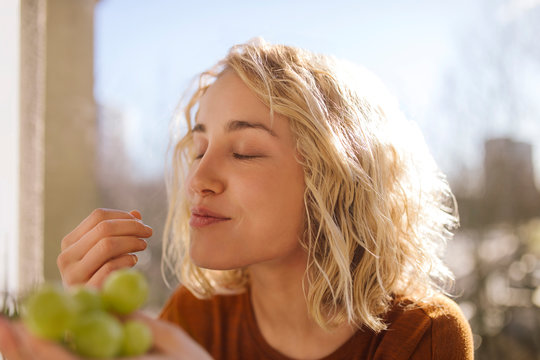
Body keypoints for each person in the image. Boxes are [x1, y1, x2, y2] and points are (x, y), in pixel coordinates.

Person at [0, 38, 474, 359]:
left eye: (244, 152)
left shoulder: (424, 337)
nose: (197, 181)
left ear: (335, 179)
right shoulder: (192, 317)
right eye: (199, 148)